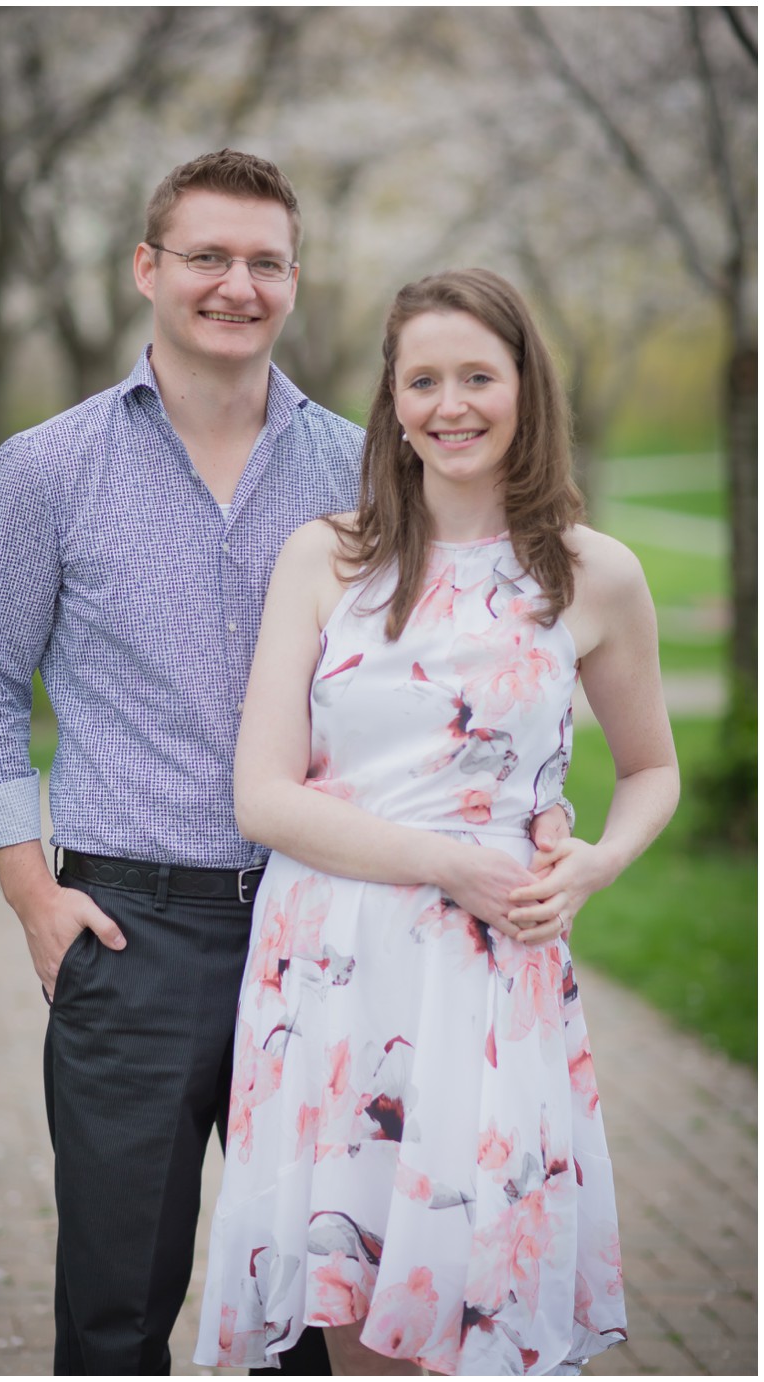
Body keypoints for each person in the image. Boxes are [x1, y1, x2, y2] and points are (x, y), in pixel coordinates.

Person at [0, 151, 570, 1375]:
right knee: (116, 1310)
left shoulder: (367, 469)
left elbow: (464, 663)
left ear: (294, 279)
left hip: (333, 929)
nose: (237, 284)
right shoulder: (46, 467)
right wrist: (30, 892)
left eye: (265, 261)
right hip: (131, 929)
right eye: (208, 257)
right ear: (147, 270)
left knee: (308, 1313)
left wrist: (540, 808)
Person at [194, 268, 677, 1375]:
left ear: (526, 390)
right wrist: (446, 861)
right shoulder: (330, 556)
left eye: (477, 376)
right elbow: (262, 795)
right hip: (333, 968)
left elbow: (652, 769)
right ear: (392, 399)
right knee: (356, 1311)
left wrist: (597, 861)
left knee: (475, 1304)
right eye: (424, 379)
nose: (450, 404)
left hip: (490, 974)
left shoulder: (596, 575)